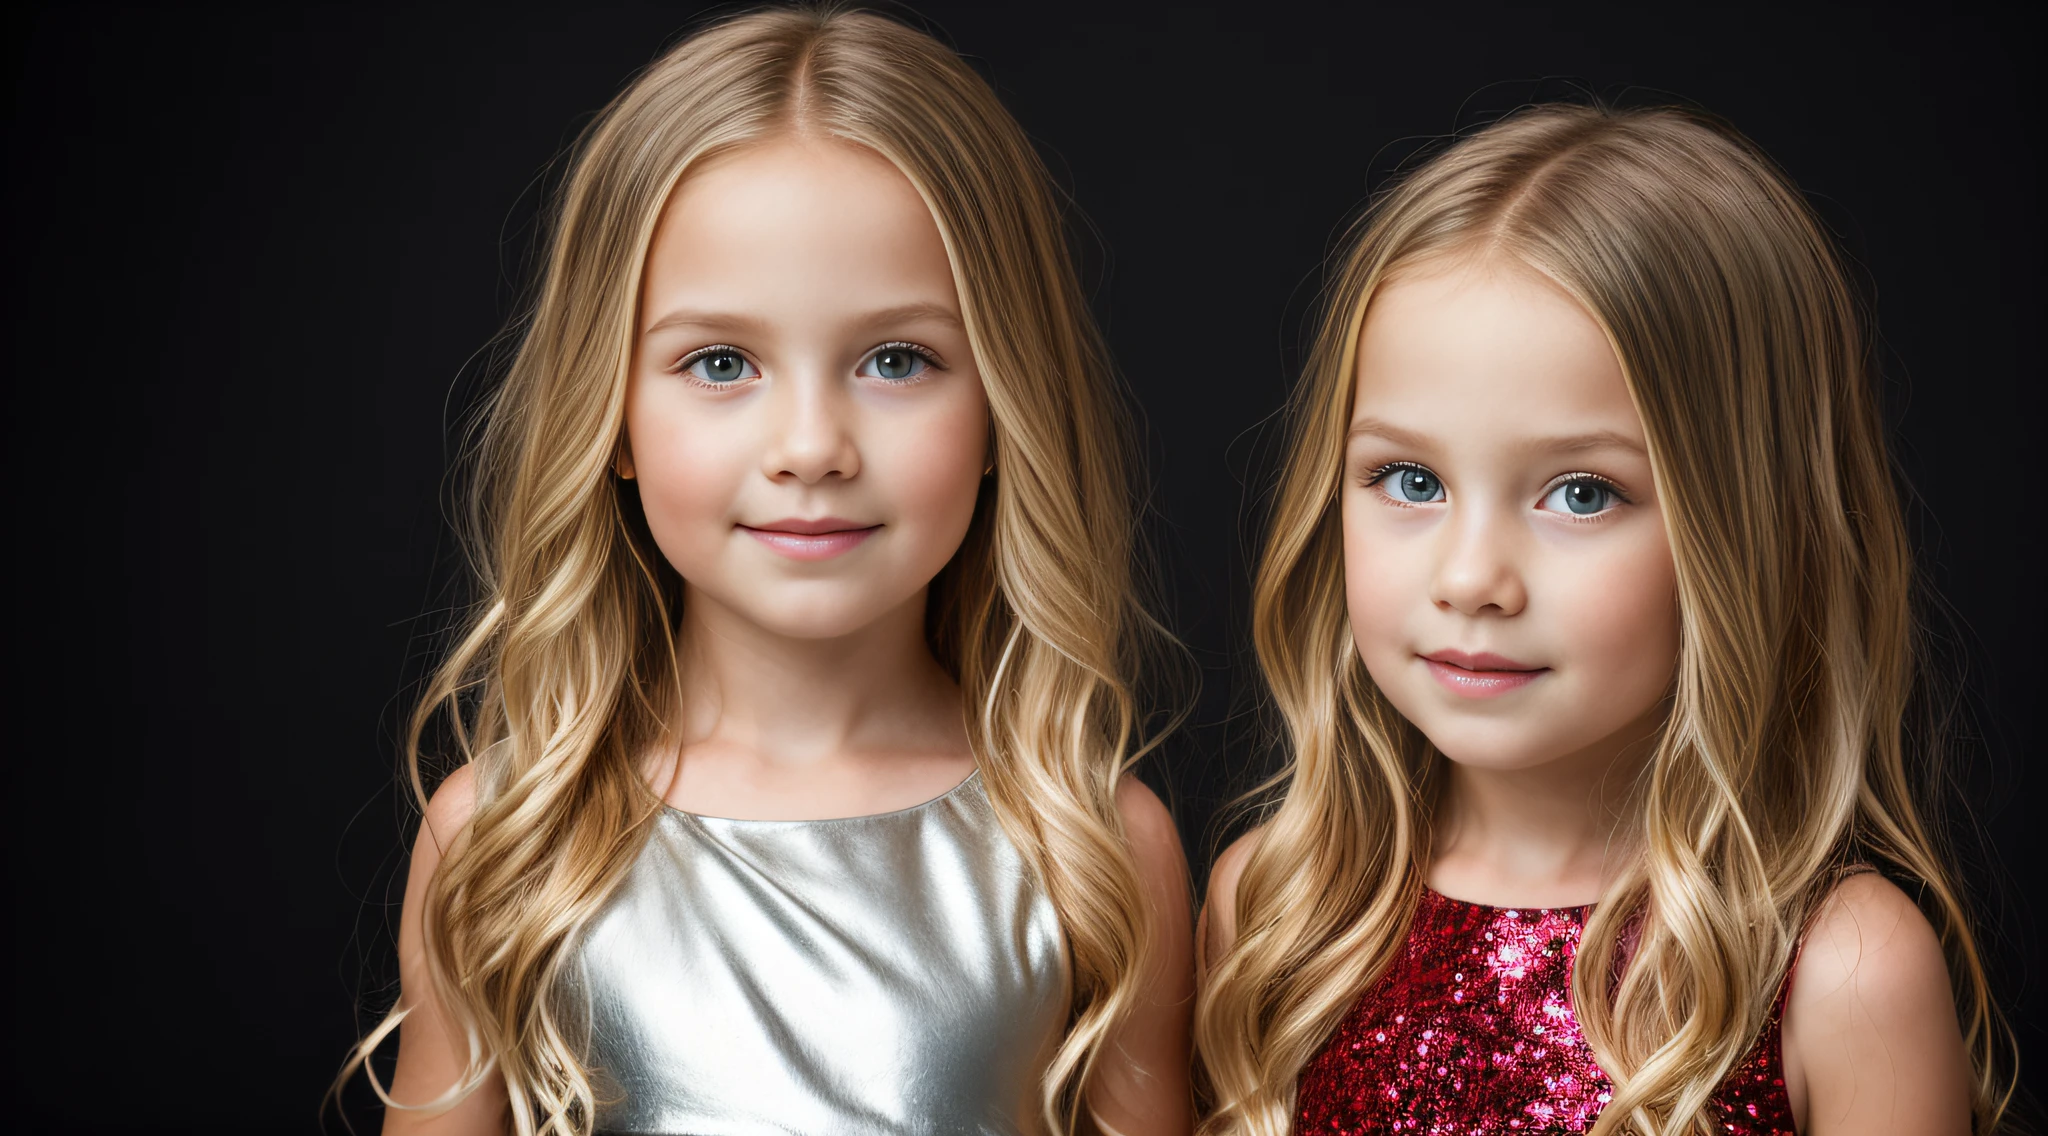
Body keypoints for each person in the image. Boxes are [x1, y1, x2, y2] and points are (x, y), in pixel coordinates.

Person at [338, 8, 1193, 1134]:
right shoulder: (500, 839)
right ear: (614, 418)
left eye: (896, 359)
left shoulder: (1095, 849)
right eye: (720, 361)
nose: (809, 446)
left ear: (1002, 406)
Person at [1195, 104, 2009, 1135]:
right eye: (1408, 478)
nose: (1470, 576)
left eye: (1580, 493)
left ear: (1746, 527)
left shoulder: (1838, 968)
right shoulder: (1279, 909)